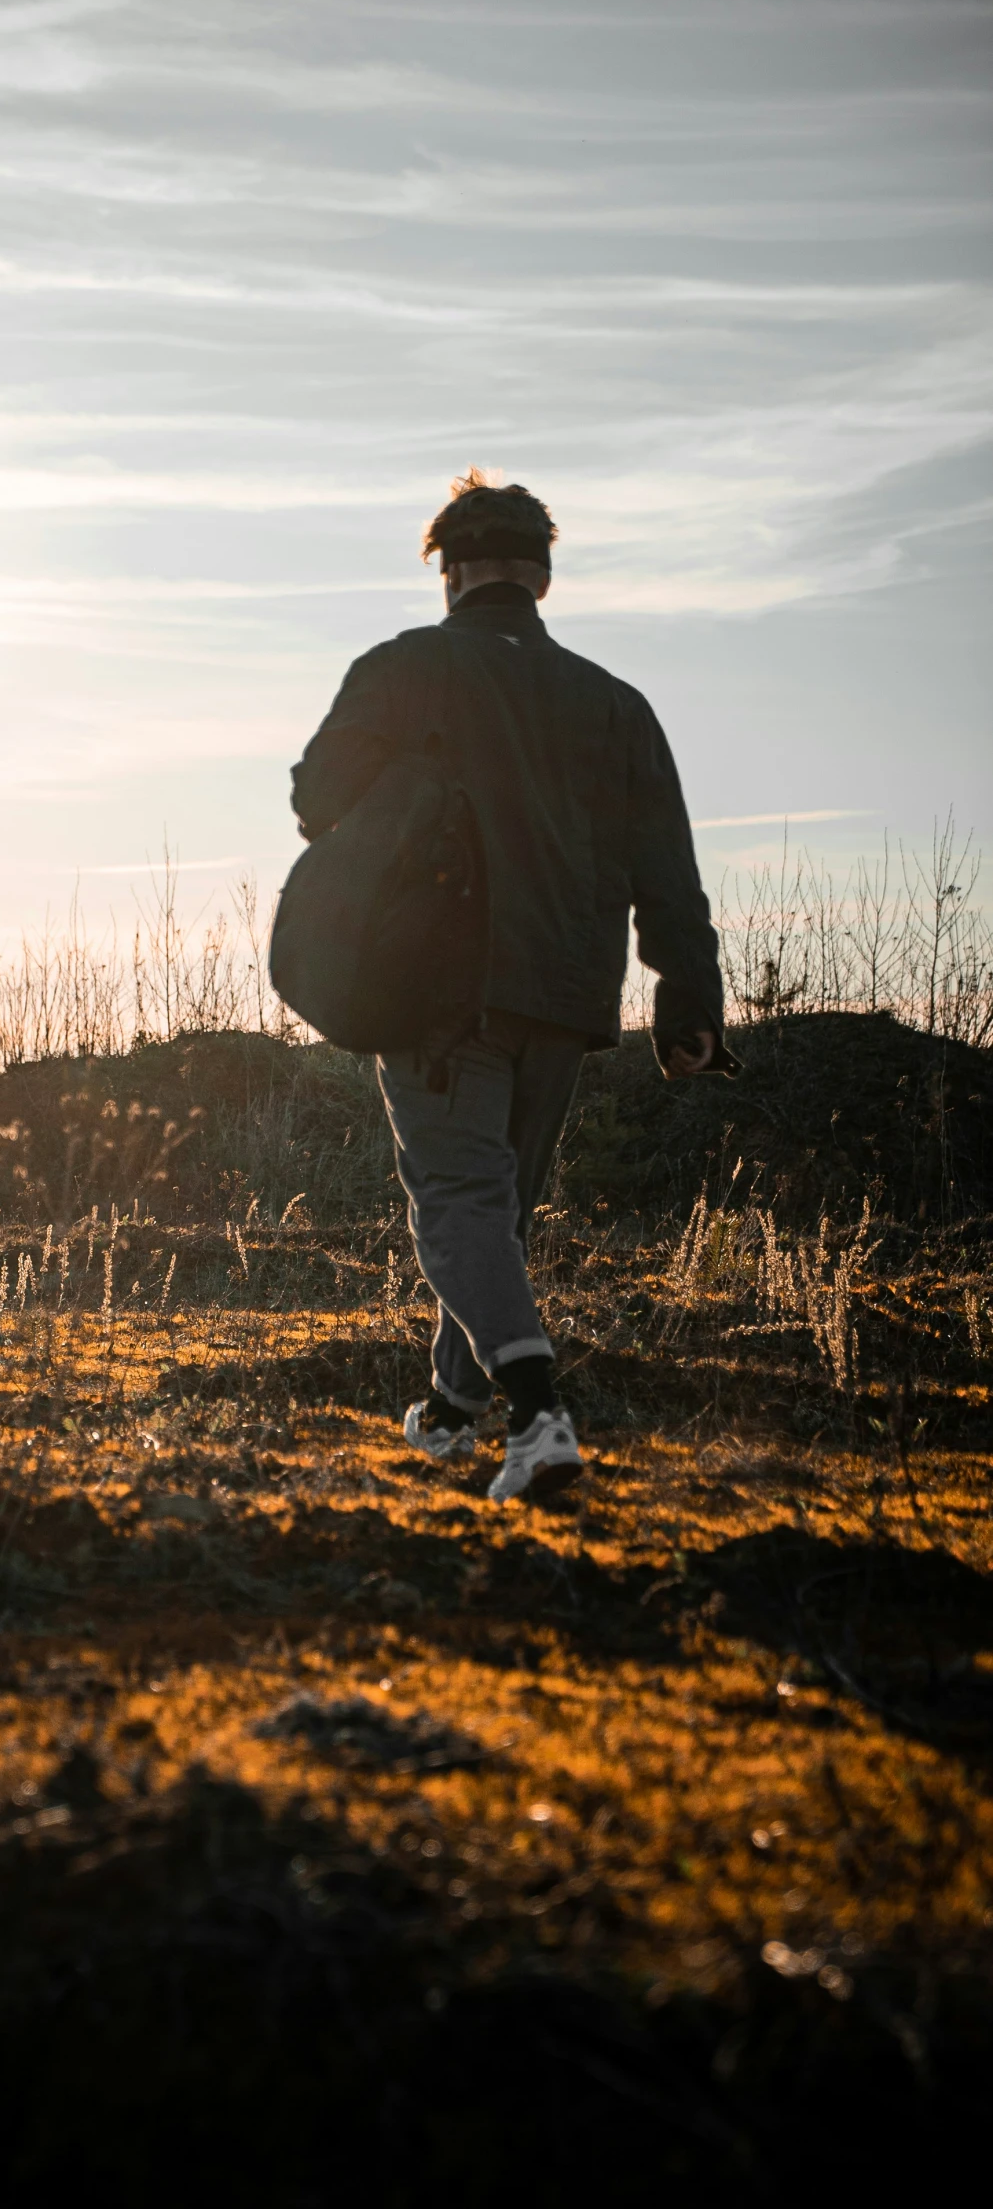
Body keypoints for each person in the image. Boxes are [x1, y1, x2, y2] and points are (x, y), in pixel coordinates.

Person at [289, 469, 735, 1504]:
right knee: (498, 1213)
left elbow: (316, 800)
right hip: (569, 994)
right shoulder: (615, 704)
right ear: (541, 575)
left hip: (438, 984)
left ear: (448, 573)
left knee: (456, 1203)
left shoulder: (405, 670)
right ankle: (451, 1410)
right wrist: (690, 1008)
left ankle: (537, 1420)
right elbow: (669, 870)